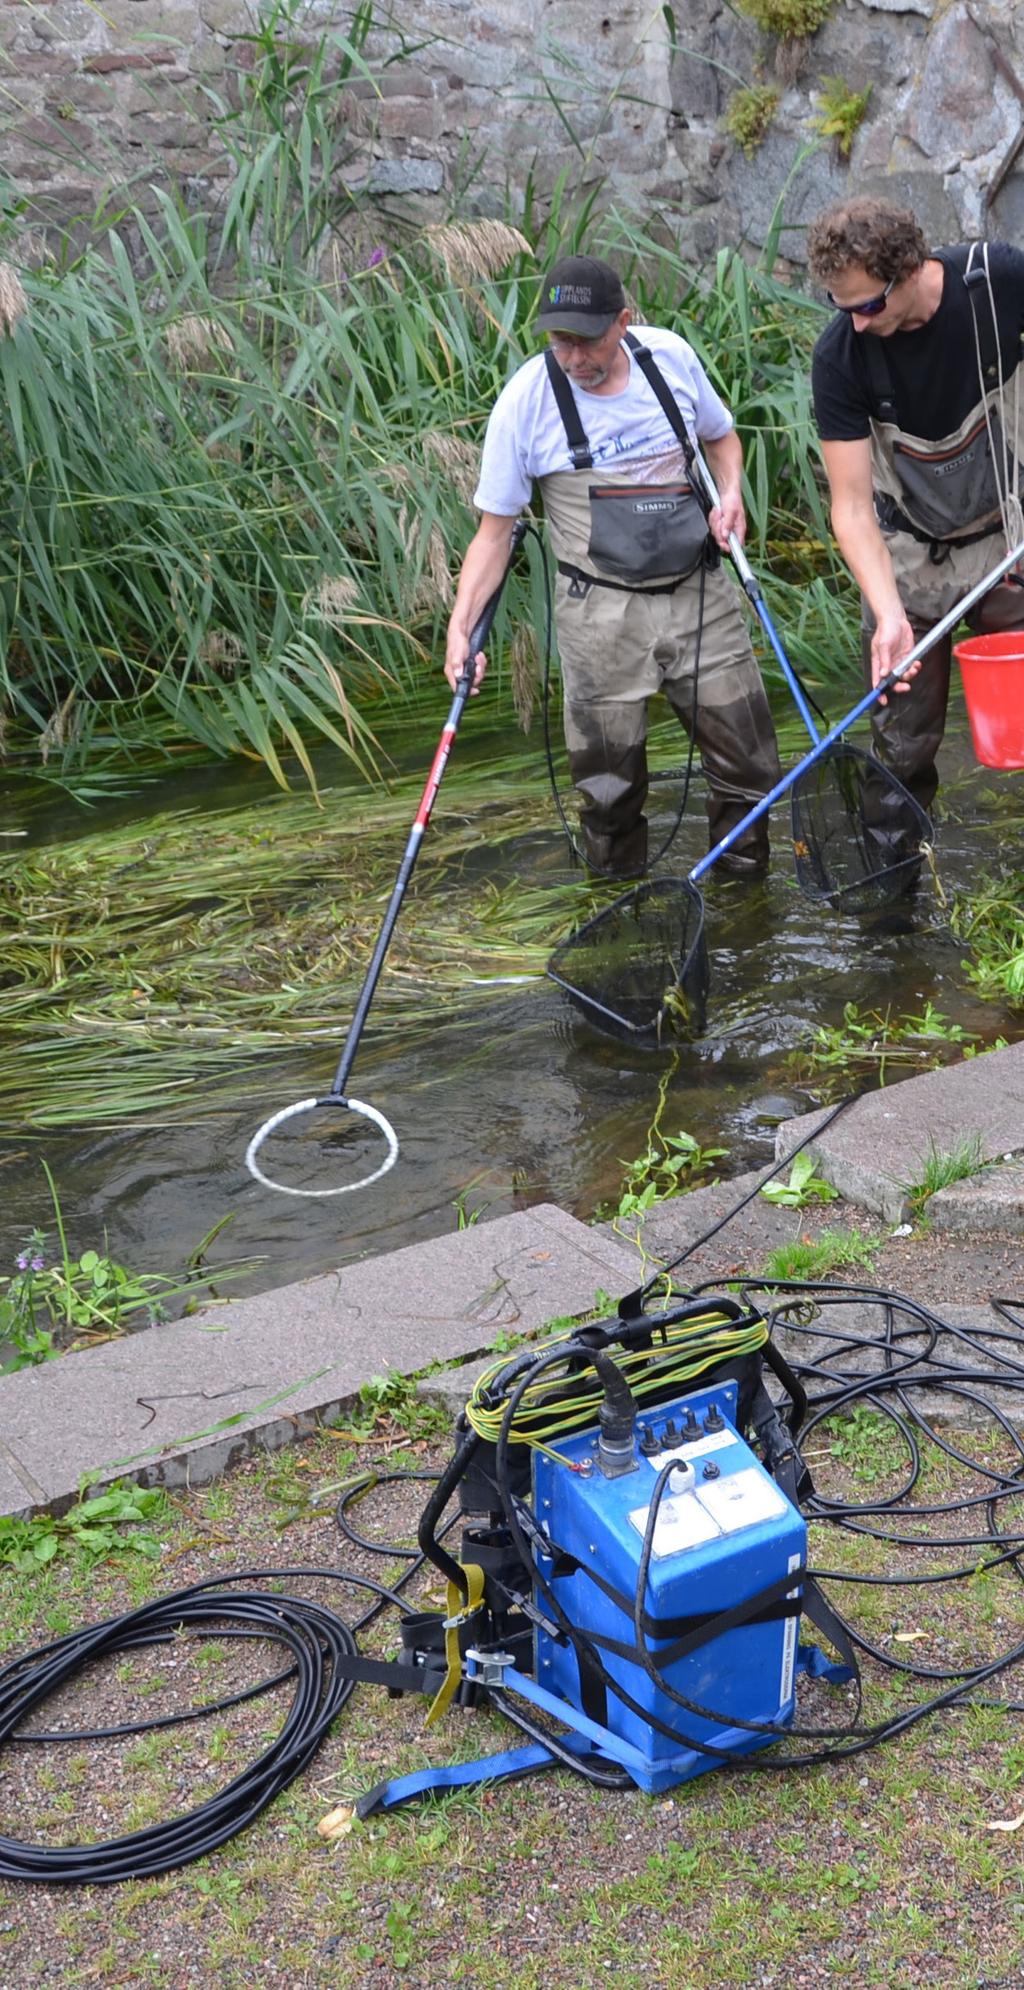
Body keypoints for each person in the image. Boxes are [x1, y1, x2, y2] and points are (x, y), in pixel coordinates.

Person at [443, 253, 781, 878]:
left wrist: (730, 493)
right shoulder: (526, 402)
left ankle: (744, 905)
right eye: (560, 341)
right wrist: (462, 626)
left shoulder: (670, 360)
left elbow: (723, 438)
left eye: (588, 341)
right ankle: (618, 912)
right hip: (598, 615)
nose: (574, 359)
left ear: (623, 322)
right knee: (609, 791)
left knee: (751, 765)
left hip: (699, 593)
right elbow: (494, 536)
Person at [806, 196, 1024, 816]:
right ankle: (895, 902)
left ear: (910, 269)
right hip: (907, 559)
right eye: (840, 307)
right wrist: (887, 614)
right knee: (899, 752)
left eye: (868, 305)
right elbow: (850, 508)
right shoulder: (839, 357)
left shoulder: (997, 281)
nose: (855, 322)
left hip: (1008, 539)